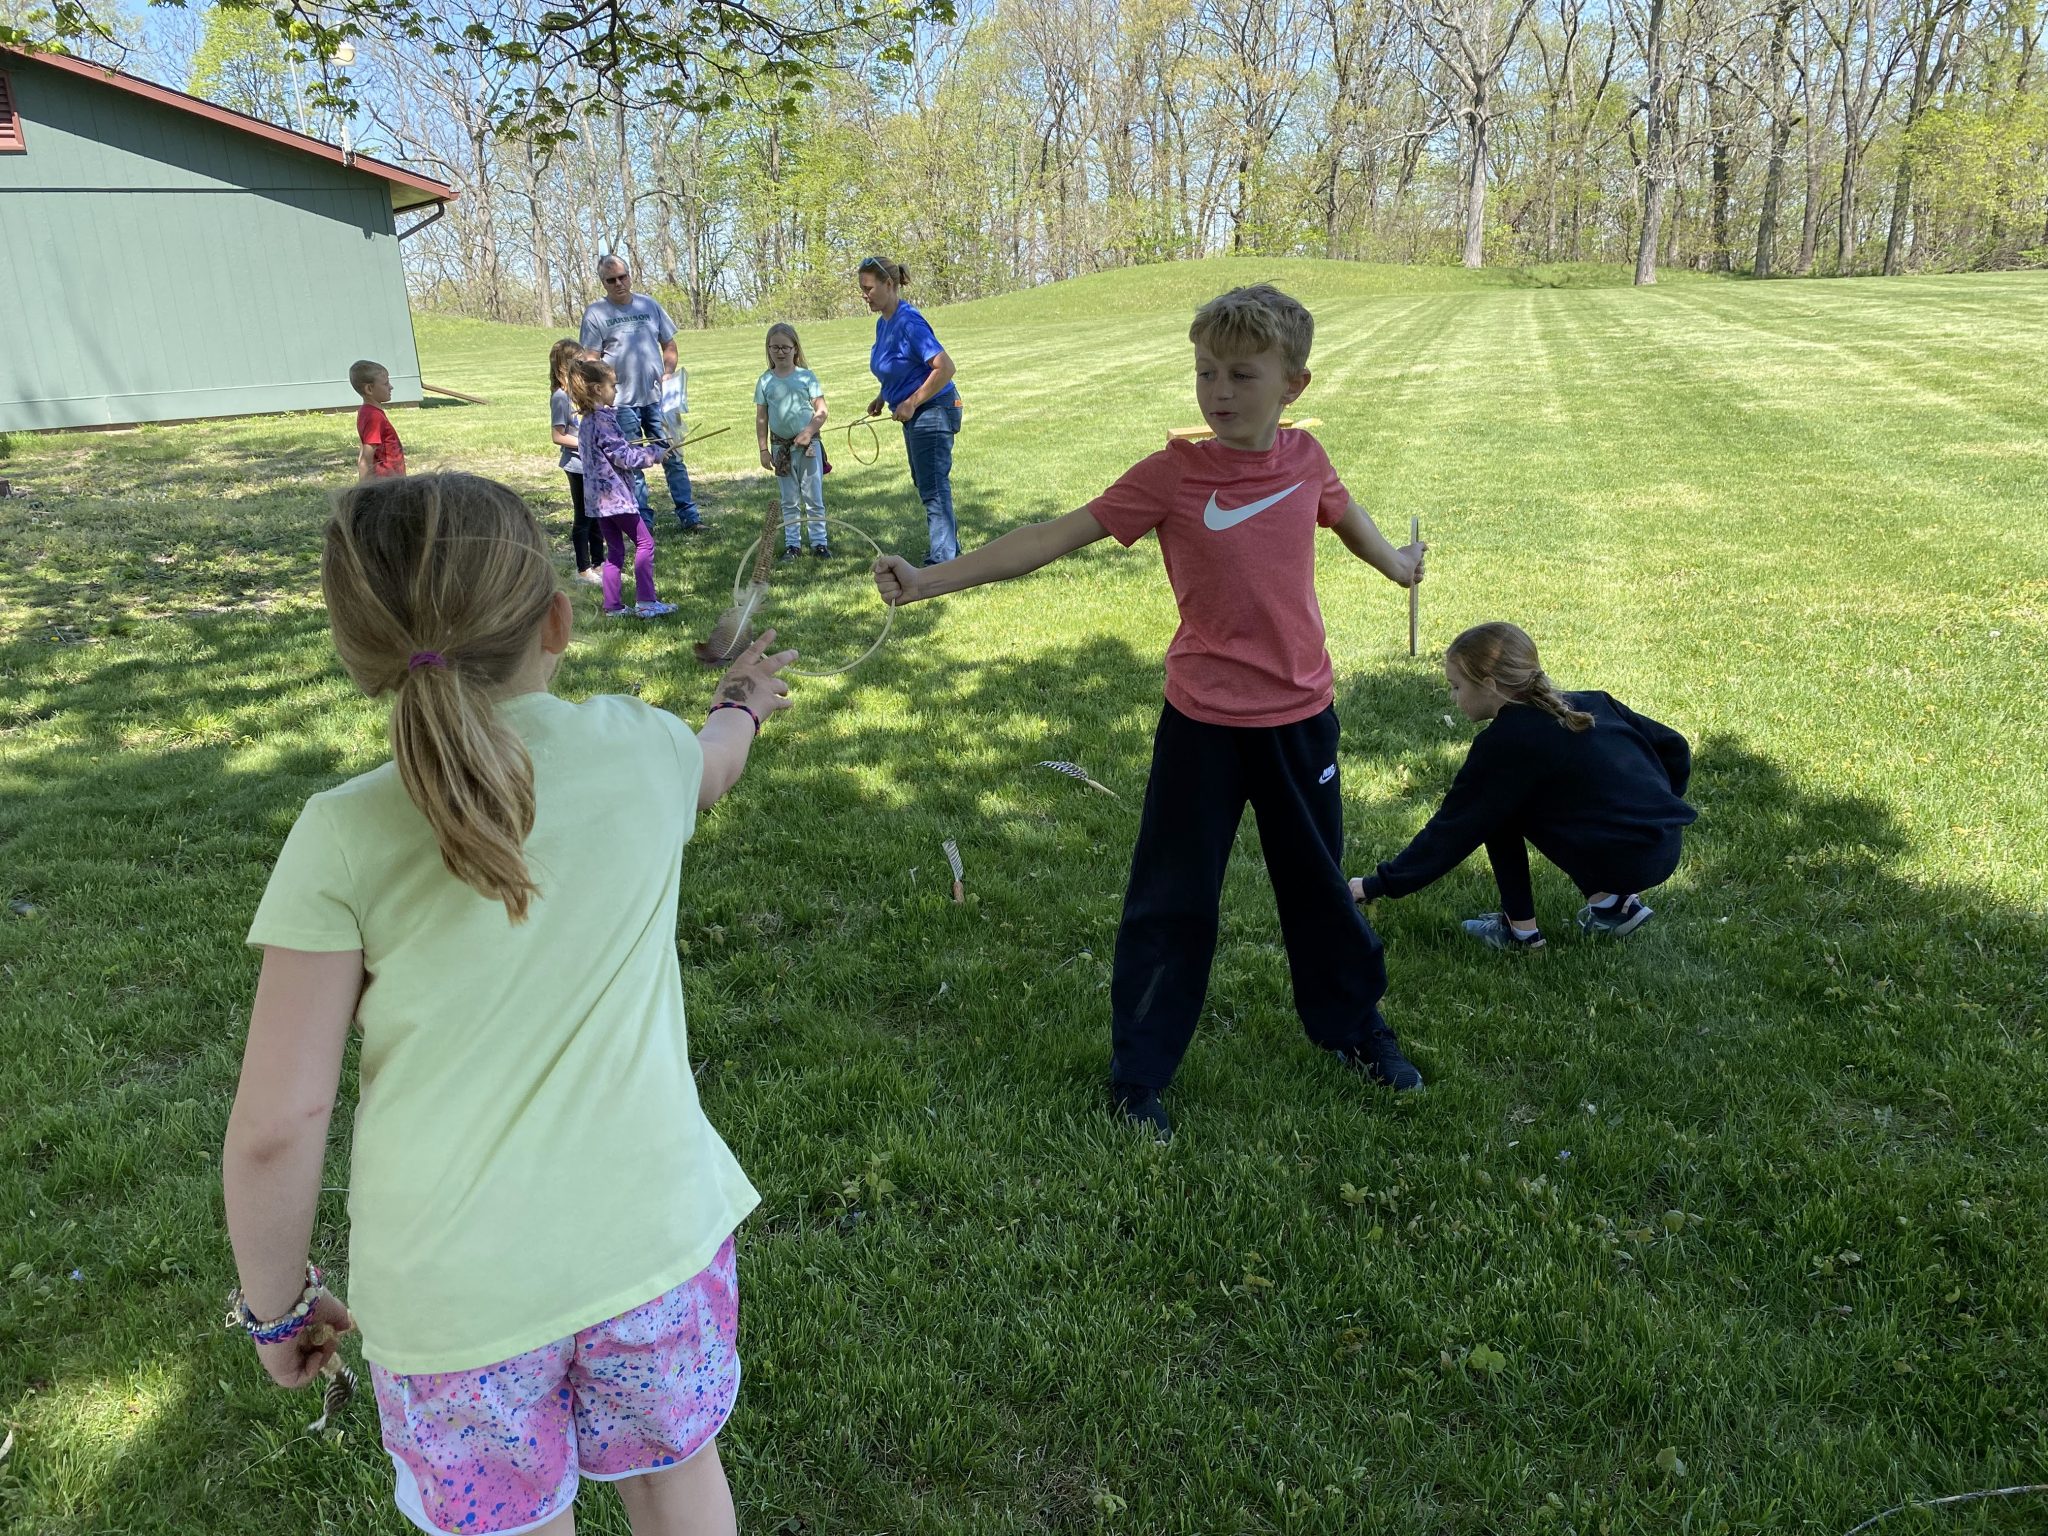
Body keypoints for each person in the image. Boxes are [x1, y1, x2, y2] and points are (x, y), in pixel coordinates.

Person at [221, 471, 796, 1536]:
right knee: (679, 1479)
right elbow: (714, 766)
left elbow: (276, 1125)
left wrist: (276, 1308)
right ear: (557, 621)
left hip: (453, 1303)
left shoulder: (341, 834)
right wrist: (741, 706)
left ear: (358, 650)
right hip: (654, 1248)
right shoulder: (637, 747)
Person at [873, 284, 1426, 1138]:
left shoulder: (1305, 458)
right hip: (1201, 727)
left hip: (1299, 720)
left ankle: (1355, 1030)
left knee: (1320, 889)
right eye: (1207, 372)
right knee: (1171, 900)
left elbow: (1345, 517)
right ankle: (1139, 1075)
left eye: (1243, 375)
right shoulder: (1174, 473)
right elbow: (1049, 538)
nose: (1219, 391)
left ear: (1294, 385)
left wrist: (1398, 565)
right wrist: (929, 579)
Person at [1350, 621, 1697, 950]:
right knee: (1508, 799)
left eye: (1457, 686)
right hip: (1665, 844)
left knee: (1493, 809)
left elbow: (1451, 833)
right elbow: (1675, 747)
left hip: (1623, 861)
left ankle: (1521, 932)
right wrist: (1658, 806)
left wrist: (1375, 885)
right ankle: (1611, 907)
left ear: (1488, 684)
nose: (1453, 699)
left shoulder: (1505, 743)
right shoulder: (1591, 701)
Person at [578, 255, 701, 532]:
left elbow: (669, 343)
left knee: (674, 455)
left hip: (659, 398)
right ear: (603, 283)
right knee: (633, 463)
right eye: (611, 280)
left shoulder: (649, 305)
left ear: (630, 275)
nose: (619, 283)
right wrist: (598, 396)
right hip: (621, 404)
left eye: (623, 276)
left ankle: (690, 516)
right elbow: (591, 359)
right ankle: (642, 523)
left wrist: (668, 372)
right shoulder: (596, 313)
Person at [858, 257, 960, 565]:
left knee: (932, 486)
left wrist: (912, 401)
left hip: (934, 409)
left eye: (869, 288)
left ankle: (943, 561)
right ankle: (950, 550)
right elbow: (900, 366)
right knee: (926, 482)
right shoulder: (883, 323)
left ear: (889, 285)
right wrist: (883, 395)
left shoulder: (909, 322)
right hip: (917, 412)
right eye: (861, 289)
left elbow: (945, 367)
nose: (865, 295)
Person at [570, 357, 677, 620]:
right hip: (615, 498)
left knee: (615, 550)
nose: (616, 391)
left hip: (598, 500)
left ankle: (613, 606)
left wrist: (640, 447)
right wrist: (654, 454)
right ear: (598, 389)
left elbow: (614, 451)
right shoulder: (603, 420)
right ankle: (646, 602)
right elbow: (624, 458)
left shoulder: (588, 421)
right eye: (613, 386)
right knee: (645, 542)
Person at [755, 323, 830, 559]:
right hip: (780, 449)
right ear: (768, 350)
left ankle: (819, 543)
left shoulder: (806, 377)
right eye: (774, 347)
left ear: (795, 349)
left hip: (808, 448)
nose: (780, 352)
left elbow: (822, 410)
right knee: (789, 500)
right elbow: (761, 417)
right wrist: (764, 449)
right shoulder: (765, 381)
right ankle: (793, 546)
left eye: (785, 347)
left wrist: (809, 431)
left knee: (813, 497)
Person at [549, 339, 602, 586]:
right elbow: (558, 435)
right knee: (583, 516)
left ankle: (600, 564)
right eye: (579, 361)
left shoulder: (578, 393)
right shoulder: (560, 398)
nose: (583, 365)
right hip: (577, 465)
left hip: (593, 464)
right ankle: (583, 569)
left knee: (598, 514)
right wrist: (585, 443)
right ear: (565, 365)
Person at [350, 359, 405, 483]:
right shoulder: (374, 417)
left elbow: (362, 451)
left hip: (391, 482)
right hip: (387, 485)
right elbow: (366, 459)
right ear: (369, 389)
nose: (391, 387)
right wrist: (364, 489)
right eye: (386, 384)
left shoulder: (366, 412)